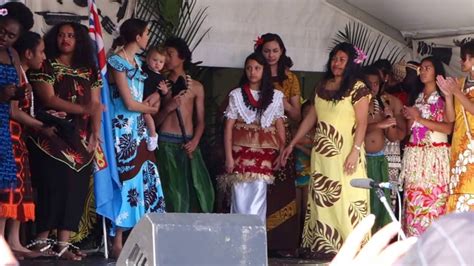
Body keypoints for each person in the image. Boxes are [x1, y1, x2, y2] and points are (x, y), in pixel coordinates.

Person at [281, 42, 371, 259]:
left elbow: (362, 123)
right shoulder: (322, 85)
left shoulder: (359, 88)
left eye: (341, 59)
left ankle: (351, 246)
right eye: (334, 58)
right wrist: (292, 143)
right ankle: (325, 246)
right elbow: (311, 117)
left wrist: (355, 151)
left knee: (348, 197)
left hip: (347, 152)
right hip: (322, 153)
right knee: (323, 196)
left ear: (350, 63)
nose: (336, 63)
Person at [27, 21, 103, 260]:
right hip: (52, 131)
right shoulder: (46, 64)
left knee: (78, 183)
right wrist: (82, 108)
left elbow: (97, 105)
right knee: (57, 180)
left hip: (79, 135)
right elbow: (48, 99)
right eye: (61, 35)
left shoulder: (89, 69)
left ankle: (63, 243)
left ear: (79, 40)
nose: (65, 39)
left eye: (70, 35)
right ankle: (41, 240)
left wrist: (94, 133)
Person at [107, 18, 166, 258]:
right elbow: (129, 102)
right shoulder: (116, 61)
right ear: (137, 36)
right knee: (127, 178)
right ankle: (117, 238)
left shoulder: (139, 62)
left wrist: (153, 104)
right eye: (146, 33)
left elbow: (141, 98)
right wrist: (152, 110)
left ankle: (141, 234)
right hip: (122, 129)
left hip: (139, 126)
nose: (148, 37)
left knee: (146, 177)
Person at [221, 52, 285, 223]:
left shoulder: (276, 96)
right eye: (249, 68)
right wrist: (228, 157)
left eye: (257, 68)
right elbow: (228, 128)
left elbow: (280, 127)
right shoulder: (236, 95)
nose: (252, 72)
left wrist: (282, 152)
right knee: (240, 200)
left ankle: (254, 243)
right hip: (240, 158)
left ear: (264, 70)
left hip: (264, 159)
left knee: (258, 201)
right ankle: (238, 243)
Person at [155, 37, 214, 213]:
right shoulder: (160, 85)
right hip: (165, 144)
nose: (165, 58)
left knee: (201, 191)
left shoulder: (196, 87)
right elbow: (154, 120)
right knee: (172, 193)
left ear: (182, 57)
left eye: (169, 54)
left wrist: (195, 141)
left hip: (188, 144)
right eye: (164, 54)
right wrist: (168, 108)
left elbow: (201, 121)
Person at [254, 32, 300, 255]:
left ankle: (280, 243)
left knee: (281, 188)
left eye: (275, 50)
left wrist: (283, 102)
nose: (271, 55)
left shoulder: (290, 79)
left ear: (282, 51)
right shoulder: (255, 73)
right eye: (266, 51)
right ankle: (256, 239)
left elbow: (297, 115)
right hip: (256, 139)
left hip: (282, 139)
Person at [400, 56, 452, 237]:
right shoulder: (416, 96)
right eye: (421, 68)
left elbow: (449, 126)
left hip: (434, 159)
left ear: (437, 71)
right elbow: (409, 131)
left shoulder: (444, 97)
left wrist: (419, 118)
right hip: (415, 158)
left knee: (434, 201)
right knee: (414, 202)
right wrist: (408, 117)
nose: (422, 71)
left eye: (427, 68)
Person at [0, 2, 35, 259]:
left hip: (4, 125)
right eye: (2, 30)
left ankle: (3, 242)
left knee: (5, 183)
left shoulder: (12, 56)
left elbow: (11, 104)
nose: (4, 37)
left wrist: (18, 94)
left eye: (11, 35)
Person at [363, 65, 406, 231]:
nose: (373, 87)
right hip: (364, 159)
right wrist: (380, 124)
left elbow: (393, 137)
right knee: (366, 203)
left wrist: (390, 117)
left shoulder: (381, 104)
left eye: (376, 83)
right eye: (369, 83)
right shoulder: (359, 104)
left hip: (381, 160)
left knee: (381, 205)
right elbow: (356, 129)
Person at [437, 40, 474, 212]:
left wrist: (457, 93)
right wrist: (447, 95)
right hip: (459, 147)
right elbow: (450, 118)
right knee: (458, 190)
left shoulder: (457, 87)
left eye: (464, 59)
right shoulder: (458, 83)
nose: (460, 62)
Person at [142, 46, 169, 151]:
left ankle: (153, 134)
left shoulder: (161, 78)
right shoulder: (143, 69)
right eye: (155, 60)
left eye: (161, 62)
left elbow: (163, 94)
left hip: (150, 101)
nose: (157, 64)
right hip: (139, 97)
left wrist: (164, 90)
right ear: (147, 59)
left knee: (146, 114)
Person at [293, 100, 313, 237]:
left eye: (310, 113)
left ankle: (305, 240)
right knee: (295, 210)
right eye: (305, 113)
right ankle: (294, 241)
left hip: (309, 176)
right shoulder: (294, 130)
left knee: (307, 210)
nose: (307, 116)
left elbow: (316, 155)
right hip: (294, 175)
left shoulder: (318, 133)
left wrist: (297, 146)